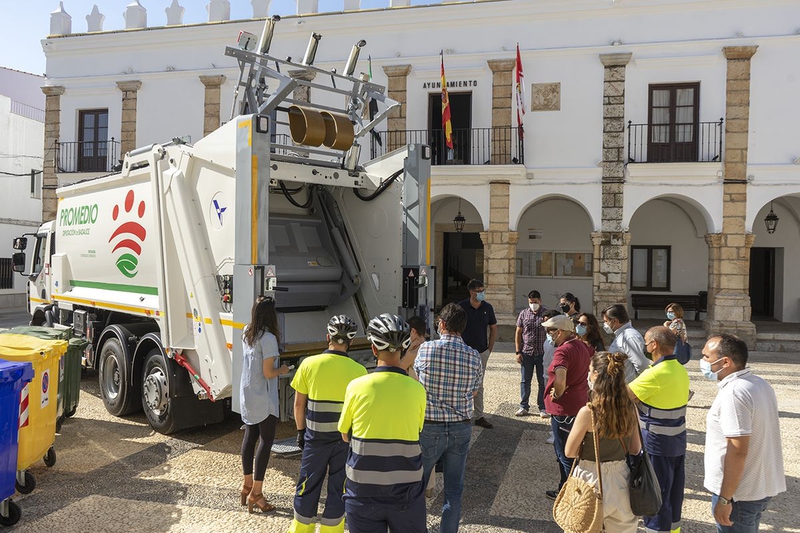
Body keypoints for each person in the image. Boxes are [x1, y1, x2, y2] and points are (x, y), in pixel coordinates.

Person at [338, 314, 427, 533]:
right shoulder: (418, 389)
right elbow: (417, 429)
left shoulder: (356, 386)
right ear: (404, 349)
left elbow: (344, 433)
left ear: (374, 349)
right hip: (406, 490)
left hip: (362, 490)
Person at [288, 315, 368, 533]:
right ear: (350, 343)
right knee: (340, 486)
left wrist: (300, 432)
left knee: (307, 484)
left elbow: (298, 405)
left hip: (315, 438)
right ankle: (331, 530)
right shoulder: (359, 372)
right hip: (345, 441)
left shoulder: (308, 364)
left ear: (328, 338)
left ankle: (301, 528)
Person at [701, 334, 786, 533]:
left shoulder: (734, 394)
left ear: (725, 362)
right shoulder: (759, 384)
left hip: (738, 495)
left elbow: (737, 450)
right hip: (756, 489)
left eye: (706, 357)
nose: (702, 361)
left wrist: (725, 498)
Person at [415, 303, 483, 533]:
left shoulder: (425, 349)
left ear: (441, 324)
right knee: (454, 491)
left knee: (417, 485)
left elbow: (416, 380)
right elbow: (474, 392)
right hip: (460, 427)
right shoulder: (474, 356)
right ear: (462, 328)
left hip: (429, 426)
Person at [565, 351, 642, 533]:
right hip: (620, 479)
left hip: (589, 477)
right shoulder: (631, 408)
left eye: (589, 370)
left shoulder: (588, 412)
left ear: (596, 375)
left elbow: (569, 451)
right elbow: (635, 448)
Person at [628, 326, 690, 533]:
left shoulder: (655, 374)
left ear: (654, 344)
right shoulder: (680, 369)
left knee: (655, 493)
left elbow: (624, 395)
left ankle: (656, 529)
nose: (645, 345)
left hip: (656, 443)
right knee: (673, 491)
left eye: (646, 342)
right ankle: (673, 529)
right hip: (677, 441)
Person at [240, 296, 291, 513]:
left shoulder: (247, 332)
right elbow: (269, 372)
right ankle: (257, 493)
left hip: (248, 392)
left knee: (250, 436)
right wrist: (284, 370)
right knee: (266, 440)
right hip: (263, 396)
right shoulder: (268, 338)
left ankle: (246, 484)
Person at [542, 313, 594, 500]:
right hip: (579, 405)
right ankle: (574, 489)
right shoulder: (582, 346)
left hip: (564, 410)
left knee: (565, 454)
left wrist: (558, 392)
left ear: (560, 332)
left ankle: (567, 492)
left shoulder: (562, 351)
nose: (548, 335)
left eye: (550, 331)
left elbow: (560, 376)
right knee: (576, 451)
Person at [458, 279, 497, 429]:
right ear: (471, 292)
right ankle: (462, 414)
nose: (481, 293)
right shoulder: (461, 307)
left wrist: (489, 348)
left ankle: (479, 415)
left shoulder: (487, 307)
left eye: (482, 290)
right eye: (478, 291)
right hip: (463, 352)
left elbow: (493, 328)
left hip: (481, 351)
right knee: (461, 382)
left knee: (479, 385)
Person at [514, 290, 548, 417]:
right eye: (530, 302)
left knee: (542, 381)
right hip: (527, 352)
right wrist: (518, 351)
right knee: (525, 380)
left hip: (542, 353)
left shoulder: (546, 314)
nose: (533, 304)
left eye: (535, 302)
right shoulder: (523, 314)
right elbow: (518, 333)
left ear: (540, 301)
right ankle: (524, 406)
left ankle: (543, 407)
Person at [602, 304, 649, 383]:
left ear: (615, 321)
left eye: (606, 321)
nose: (605, 325)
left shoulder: (629, 337)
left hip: (627, 387)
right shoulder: (622, 335)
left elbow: (641, 364)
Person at [541, 308, 562, 444]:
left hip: (555, 376)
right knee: (549, 403)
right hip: (546, 373)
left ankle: (557, 433)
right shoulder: (548, 338)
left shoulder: (559, 341)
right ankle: (553, 428)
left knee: (556, 403)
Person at [399, 315, 427, 380]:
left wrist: (407, 354)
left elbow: (396, 370)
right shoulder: (427, 347)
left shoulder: (415, 350)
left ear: (413, 331)